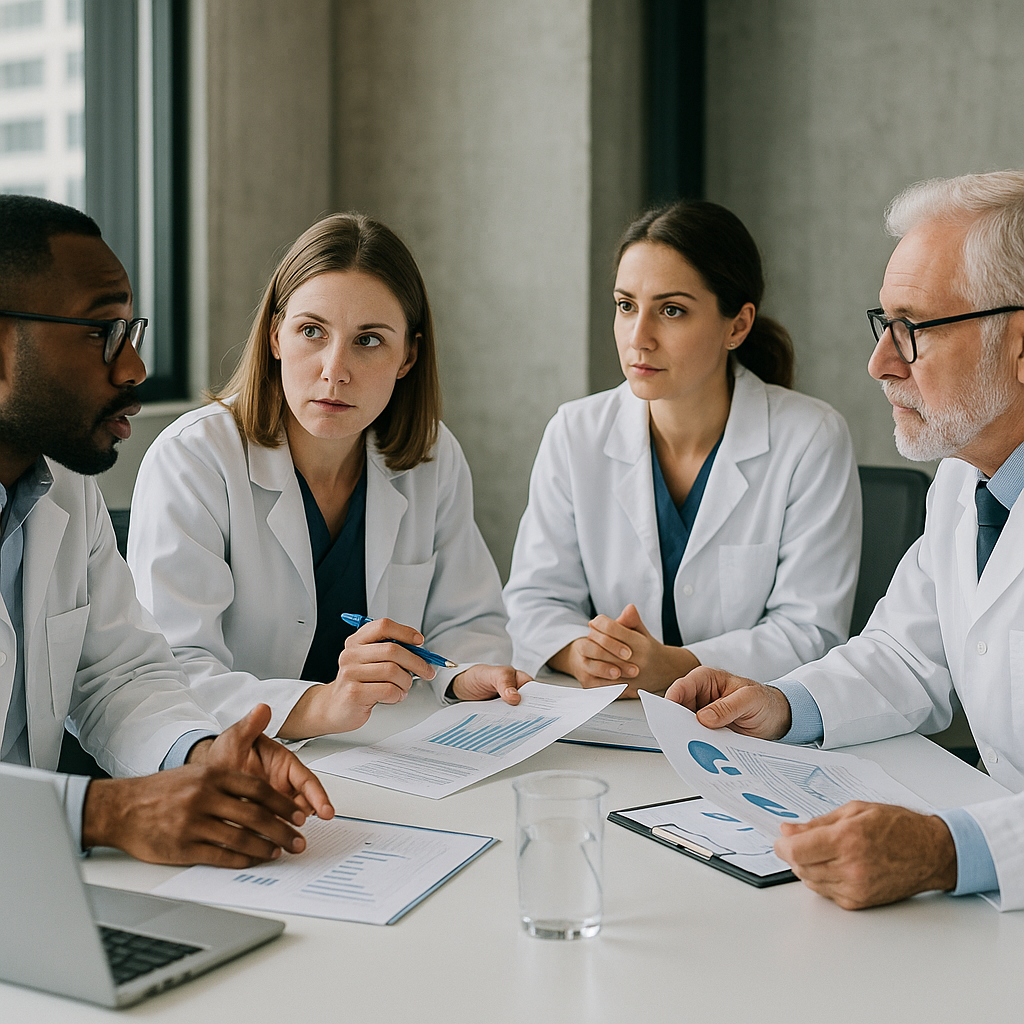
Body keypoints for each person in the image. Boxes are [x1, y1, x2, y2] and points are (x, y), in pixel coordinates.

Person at [665, 169, 1024, 911]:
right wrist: (783, 704)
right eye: (883, 324)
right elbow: (903, 655)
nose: (881, 363)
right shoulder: (966, 480)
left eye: (914, 330)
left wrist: (947, 850)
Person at [0, 194, 334, 867]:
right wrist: (104, 813)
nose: (133, 370)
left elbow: (118, 675)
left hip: (34, 885)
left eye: (132, 333)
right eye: (101, 334)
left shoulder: (64, 487)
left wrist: (201, 755)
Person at [128, 213, 528, 740]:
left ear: (408, 355)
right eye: (311, 331)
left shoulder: (431, 456)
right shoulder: (195, 460)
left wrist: (464, 673)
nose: (334, 369)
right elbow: (172, 669)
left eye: (369, 340)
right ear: (275, 337)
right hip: (240, 759)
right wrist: (322, 706)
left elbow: (467, 618)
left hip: (388, 754)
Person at [503, 201, 861, 697]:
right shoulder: (575, 431)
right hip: (610, 718)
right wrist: (577, 652)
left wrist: (675, 667)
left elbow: (811, 632)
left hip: (748, 723)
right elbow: (534, 599)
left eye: (671, 311)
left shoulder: (812, 438)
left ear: (737, 325)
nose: (638, 338)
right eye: (626, 306)